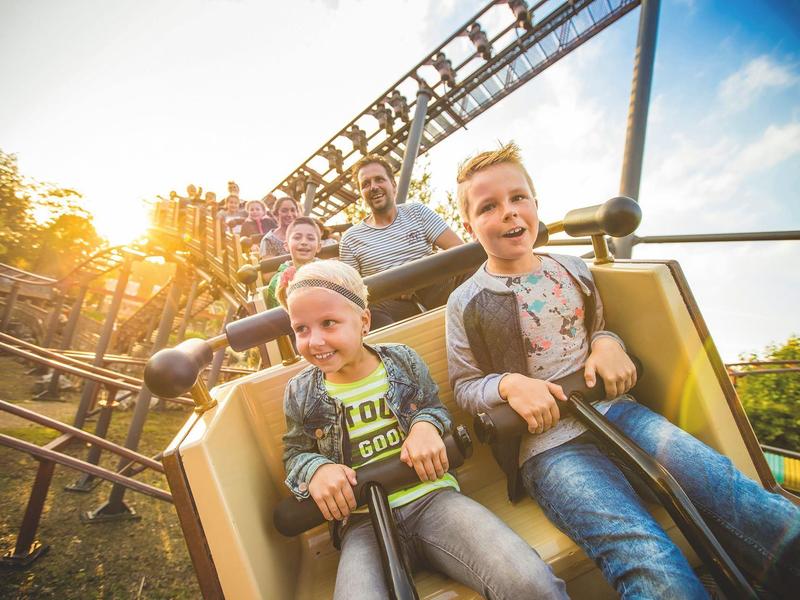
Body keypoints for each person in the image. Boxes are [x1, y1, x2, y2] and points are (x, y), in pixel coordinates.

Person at [445, 142, 800, 598]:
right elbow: (466, 386)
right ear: (469, 225)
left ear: (536, 204)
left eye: (518, 198)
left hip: (618, 412)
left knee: (729, 489)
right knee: (643, 554)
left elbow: (597, 327)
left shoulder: (574, 269)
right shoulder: (466, 301)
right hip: (549, 448)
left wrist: (607, 342)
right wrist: (509, 385)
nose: (509, 214)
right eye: (489, 207)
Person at [278, 260, 567, 600]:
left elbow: (434, 408)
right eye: (301, 329)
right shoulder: (301, 393)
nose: (315, 341)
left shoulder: (403, 362)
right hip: (362, 522)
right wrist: (317, 469)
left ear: (364, 321)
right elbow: (296, 452)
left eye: (329, 323)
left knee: (528, 582)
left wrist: (425, 426)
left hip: (432, 499)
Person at [339, 155, 464, 329]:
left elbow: (459, 250)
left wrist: (416, 279)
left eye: (379, 179)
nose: (373, 187)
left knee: (471, 267)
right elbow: (351, 292)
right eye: (365, 184)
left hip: (435, 286)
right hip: (389, 304)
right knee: (366, 310)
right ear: (361, 193)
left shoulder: (417, 212)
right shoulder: (351, 238)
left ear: (393, 185)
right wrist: (395, 287)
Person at [262, 216, 322, 309]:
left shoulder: (328, 274)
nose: (304, 242)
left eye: (310, 238)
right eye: (297, 237)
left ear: (318, 246)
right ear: (286, 245)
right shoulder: (278, 281)